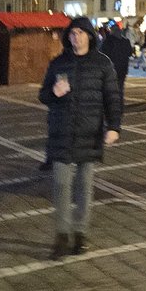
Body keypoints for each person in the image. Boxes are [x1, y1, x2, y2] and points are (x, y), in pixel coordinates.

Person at [39, 17, 122, 260]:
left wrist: (114, 126)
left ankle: (81, 233)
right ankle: (62, 236)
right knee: (62, 184)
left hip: (90, 131)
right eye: (73, 34)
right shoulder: (59, 63)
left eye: (81, 33)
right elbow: (43, 95)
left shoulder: (102, 64)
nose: (77, 37)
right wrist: (53, 93)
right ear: (69, 37)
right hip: (62, 131)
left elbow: (112, 98)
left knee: (85, 186)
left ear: (89, 36)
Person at [100, 23, 132, 105]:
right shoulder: (126, 41)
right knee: (120, 88)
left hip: (112, 69)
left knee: (110, 89)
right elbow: (130, 53)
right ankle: (119, 104)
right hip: (123, 69)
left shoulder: (108, 41)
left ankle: (113, 105)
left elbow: (102, 53)